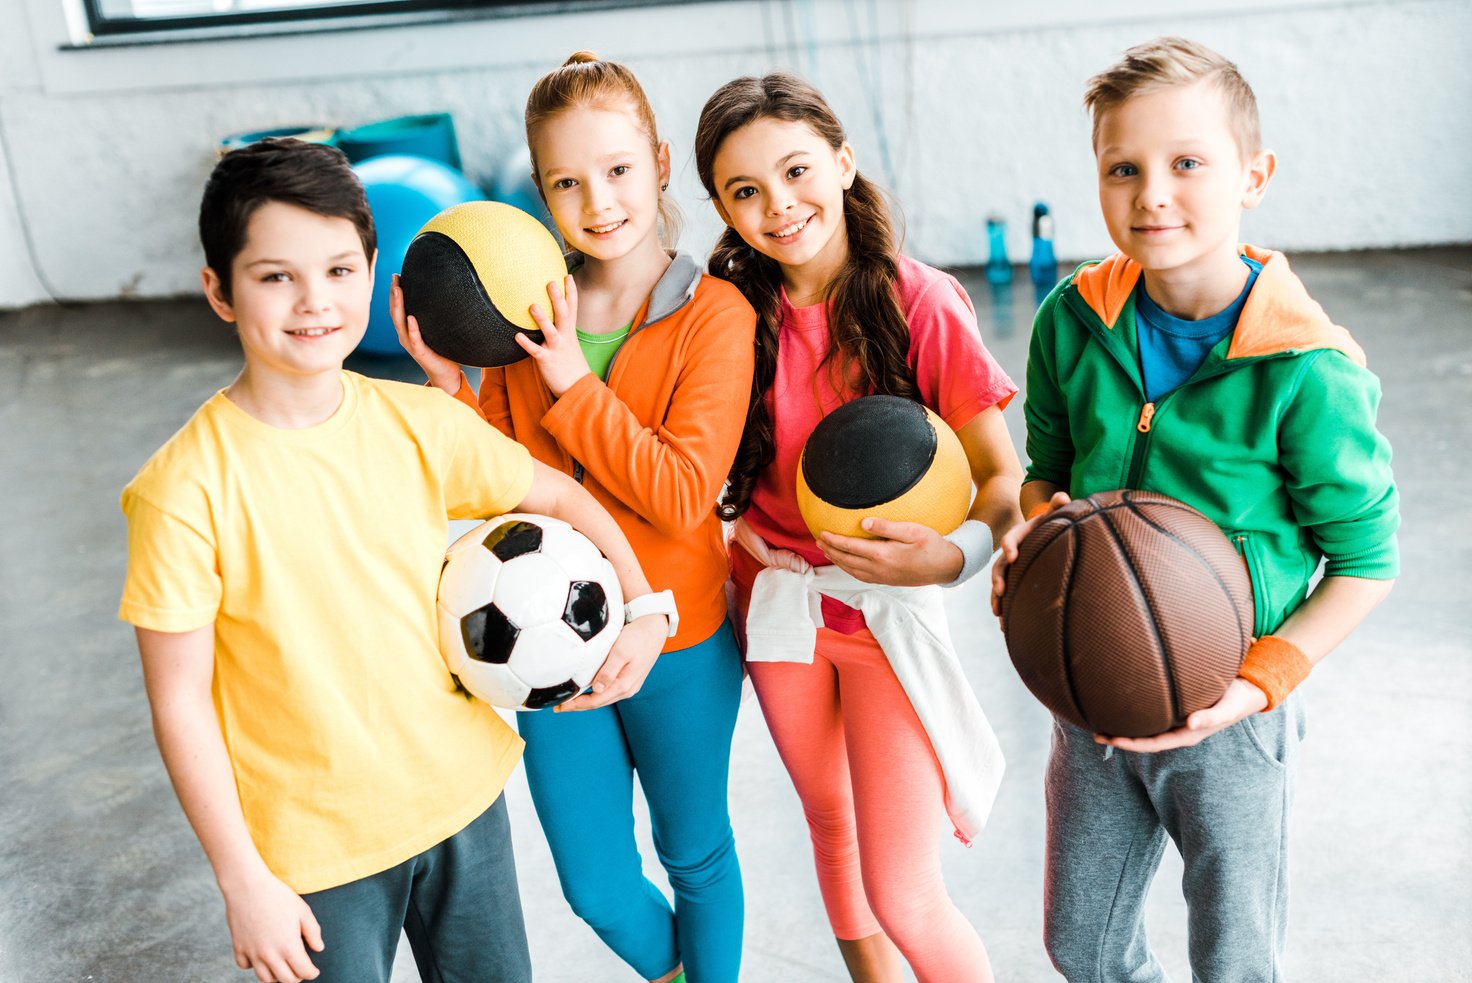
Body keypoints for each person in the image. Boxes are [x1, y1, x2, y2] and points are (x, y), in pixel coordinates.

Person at [118, 137, 669, 983]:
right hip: (315, 847)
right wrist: (243, 880)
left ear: (372, 276)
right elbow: (182, 703)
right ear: (219, 292)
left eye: (340, 271)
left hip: (462, 802)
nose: (314, 301)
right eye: (276, 276)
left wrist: (640, 604)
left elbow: (558, 497)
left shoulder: (419, 423)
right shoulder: (182, 490)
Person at [990, 37, 1400, 982]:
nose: (1152, 194)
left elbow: (1369, 562)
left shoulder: (1309, 370)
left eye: (1187, 164)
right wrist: (1037, 534)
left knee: (1235, 954)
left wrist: (1259, 684)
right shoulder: (1070, 320)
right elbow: (1044, 473)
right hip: (1090, 675)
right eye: (1122, 168)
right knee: (1080, 944)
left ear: (1253, 175)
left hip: (1234, 703)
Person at [392, 53, 755, 983]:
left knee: (696, 854)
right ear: (540, 192)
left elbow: (680, 493)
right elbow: (501, 488)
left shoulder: (715, 315)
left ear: (661, 162)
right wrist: (451, 392)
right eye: (567, 181)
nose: (598, 201)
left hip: (678, 641)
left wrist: (573, 381)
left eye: (619, 170)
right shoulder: (524, 315)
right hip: (547, 653)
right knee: (594, 883)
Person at [693, 72, 1023, 983]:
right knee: (830, 827)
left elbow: (1005, 479)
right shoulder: (727, 316)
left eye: (797, 170)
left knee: (904, 891)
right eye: (745, 191)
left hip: (884, 615)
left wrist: (953, 557)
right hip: (778, 609)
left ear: (842, 162)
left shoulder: (921, 302)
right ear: (721, 207)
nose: (779, 205)